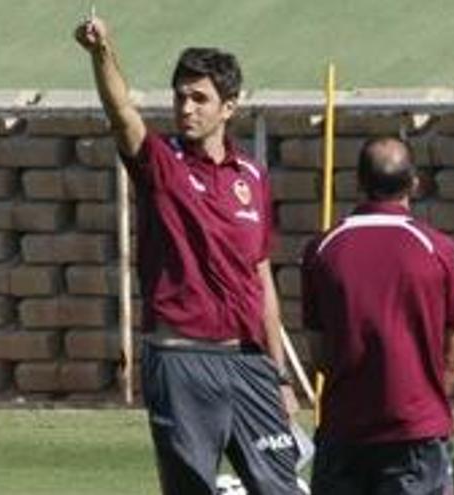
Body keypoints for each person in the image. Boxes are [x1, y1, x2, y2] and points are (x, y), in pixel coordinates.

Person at [74, 15, 301, 495]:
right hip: (180, 361)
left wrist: (279, 374)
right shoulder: (161, 163)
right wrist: (101, 52)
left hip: (249, 362)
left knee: (281, 487)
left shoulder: (253, 178)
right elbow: (122, 115)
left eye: (200, 98)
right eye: (180, 96)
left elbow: (261, 278)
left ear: (229, 108)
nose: (186, 107)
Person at [301, 138, 454, 495]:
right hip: (417, 436)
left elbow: (319, 354)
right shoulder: (439, 249)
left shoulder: (322, 249)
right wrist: (422, 404)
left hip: (343, 434)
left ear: (359, 183)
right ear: (414, 182)